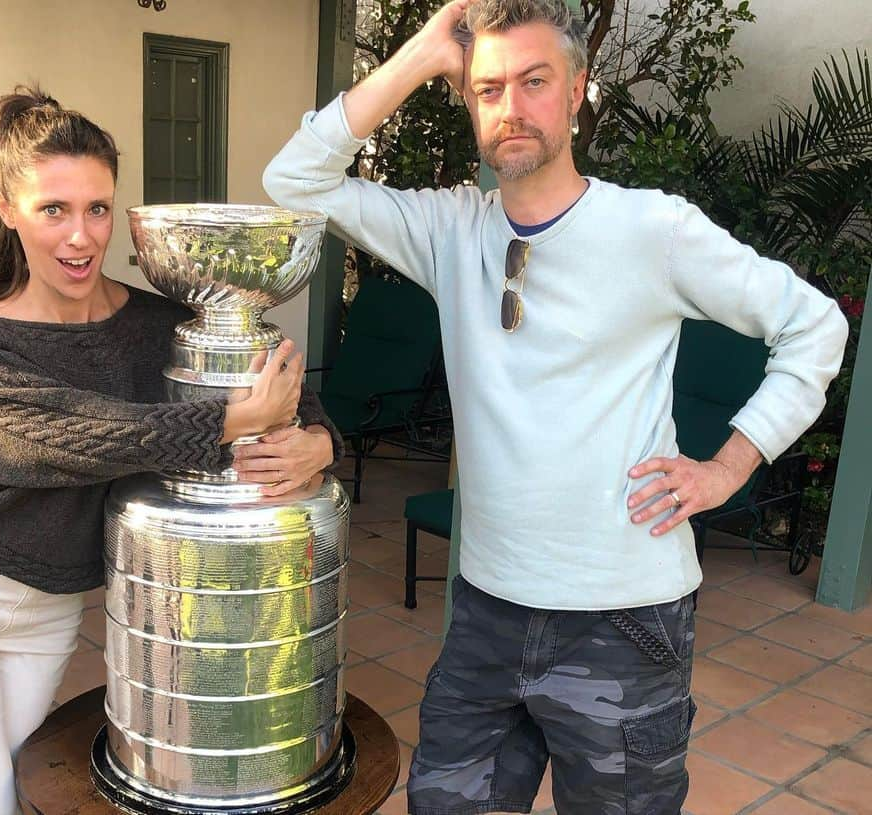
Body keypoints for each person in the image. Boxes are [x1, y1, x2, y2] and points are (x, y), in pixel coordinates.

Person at [263, 1, 848, 812]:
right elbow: (293, 180)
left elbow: (814, 325)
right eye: (488, 88)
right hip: (485, 611)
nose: (512, 107)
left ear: (577, 91)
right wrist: (422, 55)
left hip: (624, 619)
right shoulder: (448, 230)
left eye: (535, 81)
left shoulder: (653, 230)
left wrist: (729, 466)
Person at [0, 85, 343, 815]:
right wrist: (226, 421)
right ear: (7, 209)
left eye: (97, 208)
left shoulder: (157, 321)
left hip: (49, 610)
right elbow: (80, 437)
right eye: (53, 210)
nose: (80, 236)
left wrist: (319, 443)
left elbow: (283, 387)